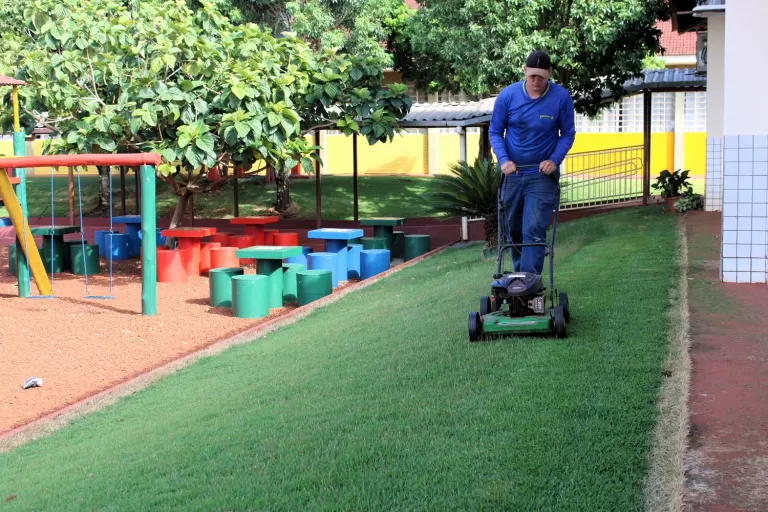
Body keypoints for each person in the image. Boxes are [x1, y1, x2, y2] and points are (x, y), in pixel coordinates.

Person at [489, 50, 576, 275]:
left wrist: (554, 160)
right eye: (532, 76)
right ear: (525, 71)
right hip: (513, 175)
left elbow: (567, 133)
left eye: (541, 76)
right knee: (514, 231)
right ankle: (519, 276)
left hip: (542, 176)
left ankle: (530, 281)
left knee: (534, 229)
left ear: (549, 74)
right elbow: (496, 132)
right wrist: (504, 160)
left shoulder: (561, 97)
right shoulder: (507, 96)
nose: (536, 81)